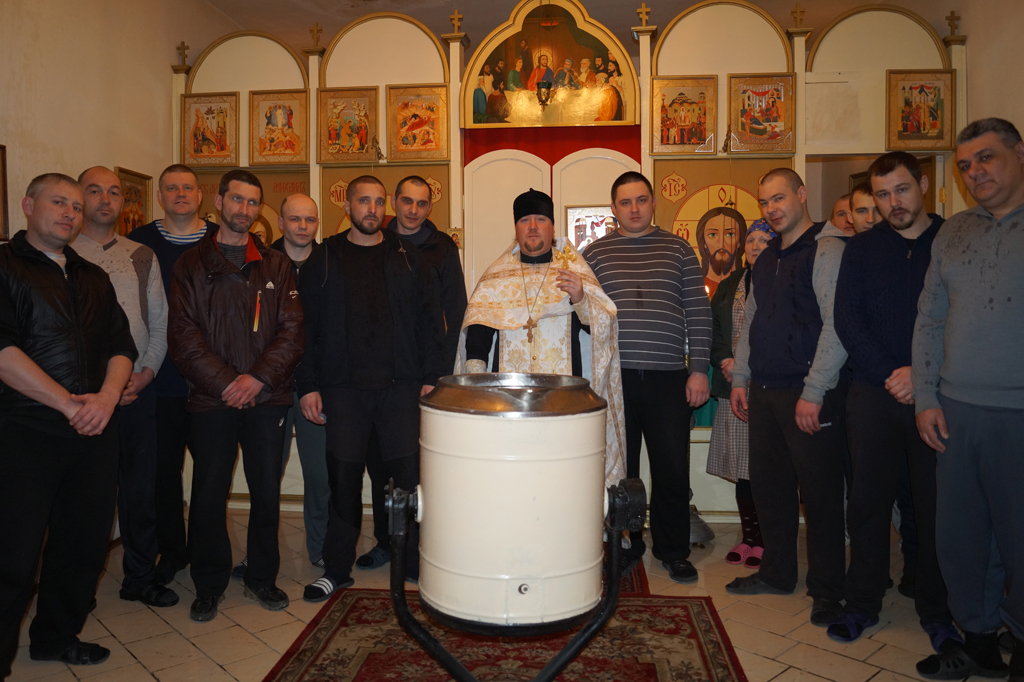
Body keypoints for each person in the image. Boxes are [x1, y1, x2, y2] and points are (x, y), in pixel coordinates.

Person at [0, 174, 136, 676]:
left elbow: (121, 347)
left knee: (82, 546)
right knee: (13, 554)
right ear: (28, 204)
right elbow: (3, 351)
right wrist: (67, 405)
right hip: (25, 429)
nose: (70, 214)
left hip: (94, 430)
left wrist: (106, 398)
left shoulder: (91, 275)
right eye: (59, 202)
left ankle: (55, 638)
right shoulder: (5, 266)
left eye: (76, 207)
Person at [295, 176, 446, 602]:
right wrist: (307, 385)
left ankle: (412, 562)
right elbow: (304, 328)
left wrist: (431, 377)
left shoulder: (408, 257)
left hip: (400, 389)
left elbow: (431, 321)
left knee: (407, 481)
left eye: (379, 202)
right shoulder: (324, 258)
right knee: (343, 480)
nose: (372, 209)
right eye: (364, 201)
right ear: (347, 206)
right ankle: (336, 569)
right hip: (343, 389)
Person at [830, 152, 957, 648]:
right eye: (882, 195)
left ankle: (938, 611)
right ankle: (861, 604)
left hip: (936, 396)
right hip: (873, 394)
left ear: (922, 185)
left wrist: (921, 374)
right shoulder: (861, 249)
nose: (892, 203)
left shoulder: (951, 239)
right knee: (867, 504)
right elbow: (847, 319)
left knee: (933, 508)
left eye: (901, 190)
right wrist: (891, 373)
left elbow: (962, 316)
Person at [912, 118, 1024, 680]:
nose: (974, 172)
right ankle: (978, 639)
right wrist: (926, 397)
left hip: (1018, 415)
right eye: (964, 165)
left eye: (986, 158)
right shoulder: (953, 233)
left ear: (1019, 153)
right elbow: (929, 320)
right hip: (955, 411)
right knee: (960, 537)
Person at [167, 169, 304, 622]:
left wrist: (257, 380)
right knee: (209, 493)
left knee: (266, 492)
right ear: (220, 201)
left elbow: (291, 332)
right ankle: (209, 583)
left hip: (268, 398)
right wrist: (228, 383)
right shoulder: (190, 264)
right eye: (237, 199)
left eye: (252, 202)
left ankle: (262, 578)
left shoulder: (276, 264)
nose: (244, 209)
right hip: (212, 400)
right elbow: (183, 337)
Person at [726, 168, 849, 629]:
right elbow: (752, 324)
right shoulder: (765, 259)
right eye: (764, 202)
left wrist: (814, 391)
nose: (771, 209)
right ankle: (776, 574)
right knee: (770, 489)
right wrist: (741, 378)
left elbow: (837, 325)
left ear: (801, 194)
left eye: (779, 198)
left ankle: (827, 590)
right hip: (764, 391)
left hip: (809, 394)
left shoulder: (827, 250)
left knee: (819, 496)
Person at [584, 172, 712, 584]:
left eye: (641, 200)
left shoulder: (679, 250)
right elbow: (584, 317)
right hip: (615, 381)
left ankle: (673, 550)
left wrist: (698, 370)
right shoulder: (595, 254)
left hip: (669, 378)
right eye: (625, 202)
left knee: (672, 468)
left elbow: (698, 312)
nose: (634, 209)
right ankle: (627, 545)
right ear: (613, 208)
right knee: (622, 472)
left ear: (653, 202)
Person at [457, 188, 625, 491]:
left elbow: (601, 331)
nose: (533, 227)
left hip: (563, 399)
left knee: (560, 476)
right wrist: (476, 391)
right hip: (507, 400)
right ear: (516, 228)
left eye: (540, 219)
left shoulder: (574, 272)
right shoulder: (495, 277)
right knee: (513, 474)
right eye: (525, 220)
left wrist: (581, 299)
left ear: (552, 227)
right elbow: (478, 334)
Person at [72, 167, 176, 608]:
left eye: (114, 192)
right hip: (82, 398)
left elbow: (160, 322)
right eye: (94, 191)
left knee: (140, 492)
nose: (105, 199)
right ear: (79, 197)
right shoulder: (62, 252)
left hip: (136, 392)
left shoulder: (141, 254)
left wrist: (146, 373)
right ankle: (76, 589)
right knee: (86, 498)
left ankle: (139, 577)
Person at [357, 176, 468, 572]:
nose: (413, 210)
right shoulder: (375, 239)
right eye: (407, 201)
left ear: (429, 207)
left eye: (421, 204)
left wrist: (437, 376)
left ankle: (419, 546)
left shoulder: (442, 248)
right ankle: (385, 542)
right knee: (379, 465)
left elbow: (455, 314)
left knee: (417, 467)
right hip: (377, 375)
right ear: (394, 201)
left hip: (422, 376)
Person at [231, 194, 329, 579]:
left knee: (320, 475)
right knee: (266, 478)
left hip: (316, 388)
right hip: (270, 385)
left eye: (310, 220)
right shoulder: (260, 262)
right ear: (281, 222)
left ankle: (322, 550)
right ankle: (258, 555)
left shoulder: (329, 263)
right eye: (295, 219)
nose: (303, 226)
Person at [129, 164, 217, 586]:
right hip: (159, 379)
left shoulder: (223, 239)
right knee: (163, 475)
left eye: (188, 187)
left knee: (211, 475)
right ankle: (173, 551)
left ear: (200, 195)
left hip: (211, 382)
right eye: (171, 188)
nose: (180, 194)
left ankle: (204, 549)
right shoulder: (138, 244)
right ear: (160, 196)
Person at [707, 219, 776, 569]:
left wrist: (751, 368)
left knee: (767, 467)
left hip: (769, 387)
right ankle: (750, 539)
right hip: (732, 387)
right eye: (750, 240)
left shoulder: (783, 279)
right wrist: (727, 361)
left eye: (764, 240)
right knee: (742, 467)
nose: (755, 246)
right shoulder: (729, 284)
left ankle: (768, 540)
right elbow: (714, 330)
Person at [695, 206, 745, 297]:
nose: (721, 244)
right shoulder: (694, 286)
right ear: (704, 242)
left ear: (739, 242)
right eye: (712, 234)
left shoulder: (748, 284)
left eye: (730, 234)